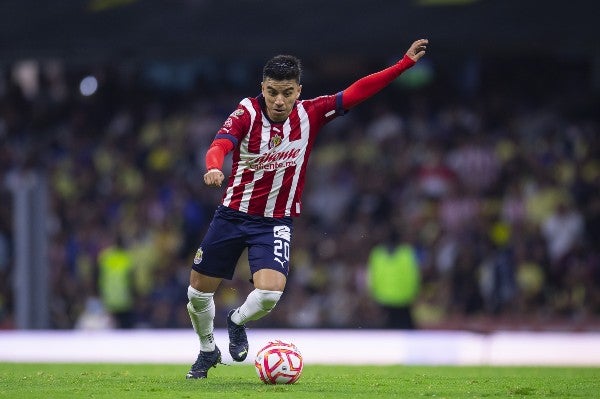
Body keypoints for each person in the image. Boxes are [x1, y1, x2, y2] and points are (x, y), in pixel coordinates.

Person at [185, 38, 429, 379]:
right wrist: (214, 165)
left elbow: (357, 92)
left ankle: (236, 320)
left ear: (299, 90)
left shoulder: (311, 113)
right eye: (272, 92)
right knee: (197, 294)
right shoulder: (246, 113)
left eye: (287, 92)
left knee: (269, 293)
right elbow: (220, 143)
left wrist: (402, 65)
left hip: (274, 221)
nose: (279, 100)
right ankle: (207, 349)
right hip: (231, 214)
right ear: (263, 88)